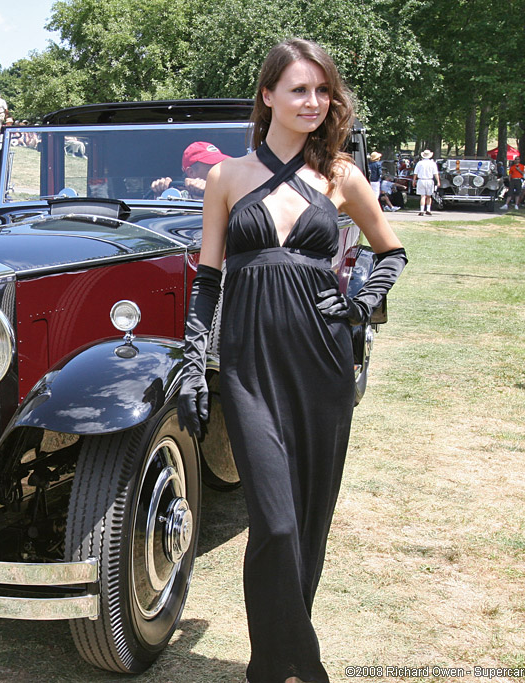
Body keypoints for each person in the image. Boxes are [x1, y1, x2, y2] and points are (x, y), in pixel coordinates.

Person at [177, 39, 405, 683]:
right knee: (273, 524)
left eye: (321, 91)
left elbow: (391, 252)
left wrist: (360, 305)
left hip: (322, 366)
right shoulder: (226, 177)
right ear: (268, 96)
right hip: (250, 368)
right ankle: (305, 663)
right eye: (299, 89)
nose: (312, 102)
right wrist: (196, 363)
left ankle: (268, 668)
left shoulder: (340, 176)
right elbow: (209, 280)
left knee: (306, 525)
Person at [151, 141, 230, 199]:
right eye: (213, 168)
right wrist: (160, 192)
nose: (219, 172)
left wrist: (210, 191)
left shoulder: (229, 193)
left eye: (221, 167)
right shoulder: (175, 197)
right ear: (191, 172)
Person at [413, 149, 439, 216]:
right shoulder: (432, 163)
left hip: (421, 180)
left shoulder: (420, 163)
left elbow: (415, 173)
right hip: (429, 180)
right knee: (429, 196)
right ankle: (428, 209)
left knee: (422, 196)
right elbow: (435, 173)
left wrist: (414, 180)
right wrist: (438, 181)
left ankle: (421, 210)